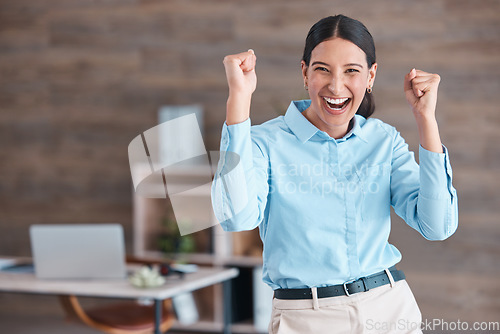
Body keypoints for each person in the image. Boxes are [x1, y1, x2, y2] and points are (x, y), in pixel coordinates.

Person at [211, 15, 458, 334]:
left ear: (370, 76)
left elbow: (437, 225)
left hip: (389, 309)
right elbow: (237, 218)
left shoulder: (384, 140)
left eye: (351, 71)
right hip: (306, 318)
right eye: (322, 69)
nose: (336, 86)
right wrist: (239, 100)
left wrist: (427, 120)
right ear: (305, 73)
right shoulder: (265, 142)